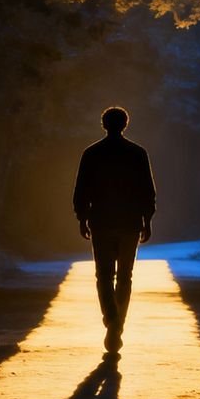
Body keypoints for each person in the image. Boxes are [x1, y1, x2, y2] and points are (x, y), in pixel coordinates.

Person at [72, 106, 156, 354]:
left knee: (104, 275)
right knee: (125, 276)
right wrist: (147, 220)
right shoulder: (138, 153)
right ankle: (118, 323)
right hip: (130, 223)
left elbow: (81, 189)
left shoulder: (92, 153)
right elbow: (147, 191)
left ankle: (112, 319)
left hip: (101, 222)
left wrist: (82, 218)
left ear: (103, 124)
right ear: (125, 124)